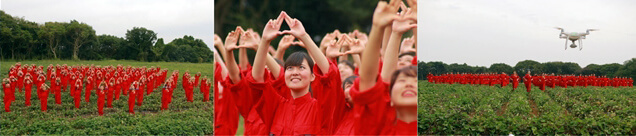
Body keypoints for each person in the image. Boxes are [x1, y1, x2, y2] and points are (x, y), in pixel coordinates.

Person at [350, 0, 417, 134]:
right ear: (389, 98)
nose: (409, 84)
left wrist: (417, 25)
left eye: (416, 81)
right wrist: (377, 28)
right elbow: (369, 80)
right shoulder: (378, 126)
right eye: (402, 81)